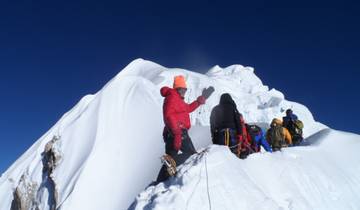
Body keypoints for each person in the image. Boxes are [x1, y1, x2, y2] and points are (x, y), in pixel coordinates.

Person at [156, 75, 214, 182]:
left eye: (185, 89)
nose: (185, 91)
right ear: (177, 88)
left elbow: (188, 108)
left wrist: (201, 99)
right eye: (183, 89)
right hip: (178, 133)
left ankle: (159, 181)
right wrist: (177, 133)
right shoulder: (172, 97)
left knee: (170, 161)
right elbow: (168, 115)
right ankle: (171, 163)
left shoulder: (178, 99)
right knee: (192, 156)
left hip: (173, 133)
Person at [210, 93, 249, 157]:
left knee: (220, 154)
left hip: (219, 135)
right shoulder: (233, 108)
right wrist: (240, 134)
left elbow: (212, 124)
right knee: (233, 153)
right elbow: (238, 122)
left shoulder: (215, 109)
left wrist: (213, 136)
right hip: (232, 134)